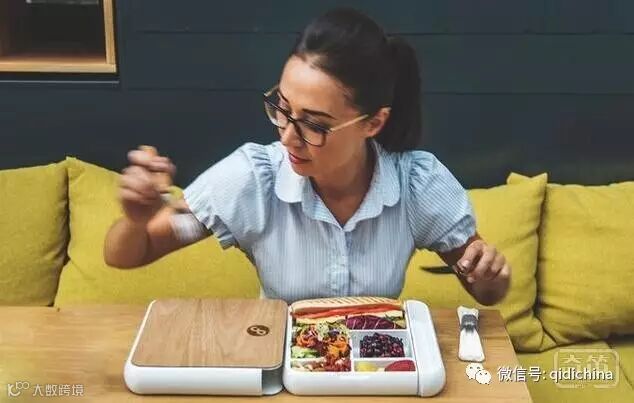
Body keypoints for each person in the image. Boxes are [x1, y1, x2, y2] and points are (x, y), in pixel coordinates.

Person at [104, 8, 510, 305]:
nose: (287, 137)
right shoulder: (253, 179)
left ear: (373, 123)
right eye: (282, 109)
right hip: (284, 372)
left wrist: (490, 273)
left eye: (314, 124)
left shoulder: (416, 184)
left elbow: (487, 291)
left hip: (377, 372)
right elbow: (128, 254)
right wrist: (136, 220)